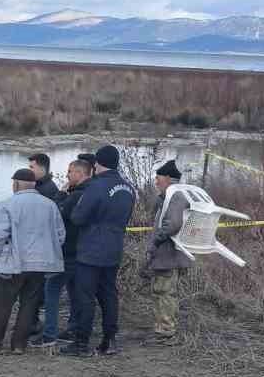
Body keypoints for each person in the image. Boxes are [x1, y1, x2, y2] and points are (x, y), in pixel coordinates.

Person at [60, 143, 136, 359]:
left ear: (97, 164)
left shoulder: (95, 186)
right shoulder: (128, 187)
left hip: (91, 249)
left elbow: (78, 217)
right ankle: (109, 340)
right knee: (109, 295)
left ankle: (81, 342)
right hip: (113, 248)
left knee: (85, 297)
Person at [0, 168, 65, 356]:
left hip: (14, 263)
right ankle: (19, 345)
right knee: (29, 305)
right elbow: (60, 235)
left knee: (2, 305)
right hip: (40, 264)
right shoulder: (50, 205)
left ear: (16, 184)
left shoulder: (7, 204)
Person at [29, 152, 95, 348]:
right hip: (83, 251)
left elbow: (55, 212)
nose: (66, 176)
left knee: (52, 290)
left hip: (67, 251)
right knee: (75, 292)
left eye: (69, 172)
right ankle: (74, 328)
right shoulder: (93, 192)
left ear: (79, 173)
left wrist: (62, 194)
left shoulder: (75, 195)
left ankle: (49, 334)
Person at [145, 158, 190, 343]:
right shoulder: (170, 196)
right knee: (162, 292)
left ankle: (166, 333)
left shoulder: (176, 197)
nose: (156, 182)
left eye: (159, 178)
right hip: (167, 255)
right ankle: (163, 329)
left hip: (169, 255)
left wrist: (156, 240)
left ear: (169, 179)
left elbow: (173, 224)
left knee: (164, 293)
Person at [26, 152, 64, 343]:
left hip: (41, 247)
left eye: (32, 167)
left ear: (42, 168)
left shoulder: (48, 189)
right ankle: (31, 322)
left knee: (36, 288)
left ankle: (35, 324)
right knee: (32, 287)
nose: (29, 170)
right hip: (35, 245)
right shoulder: (38, 186)